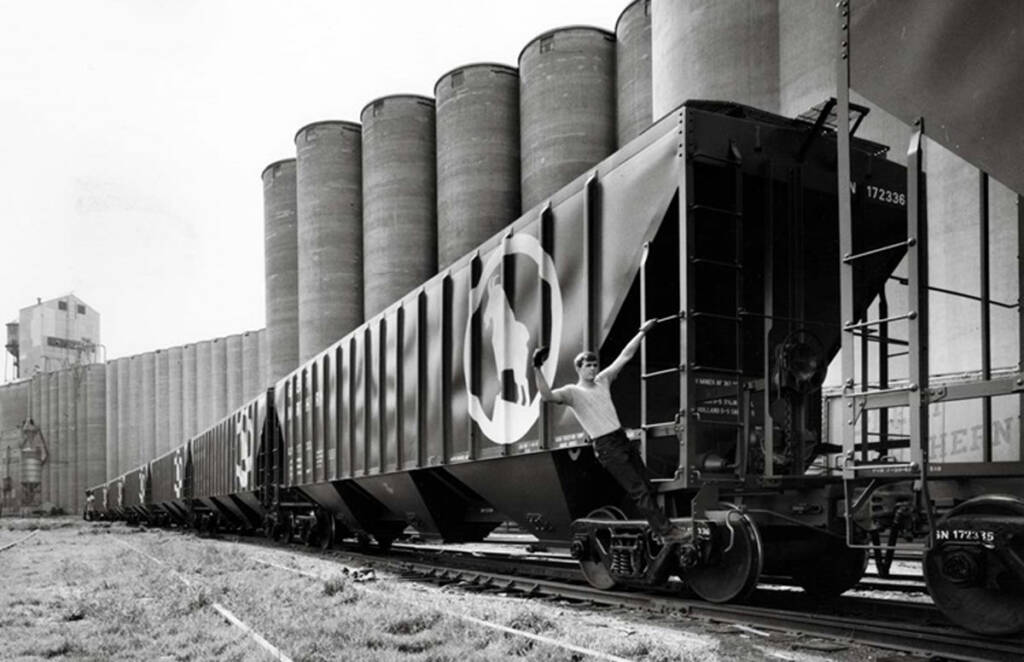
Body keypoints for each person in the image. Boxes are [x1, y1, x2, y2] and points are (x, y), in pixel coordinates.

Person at [533, 320, 688, 543]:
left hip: (621, 439)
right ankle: (667, 533)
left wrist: (642, 331)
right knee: (639, 490)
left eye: (594, 365)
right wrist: (537, 368)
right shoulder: (572, 393)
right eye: (587, 365)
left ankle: (656, 528)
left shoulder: (603, 380)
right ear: (578, 368)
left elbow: (625, 356)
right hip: (606, 446)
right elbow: (547, 396)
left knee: (647, 484)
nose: (592, 369)